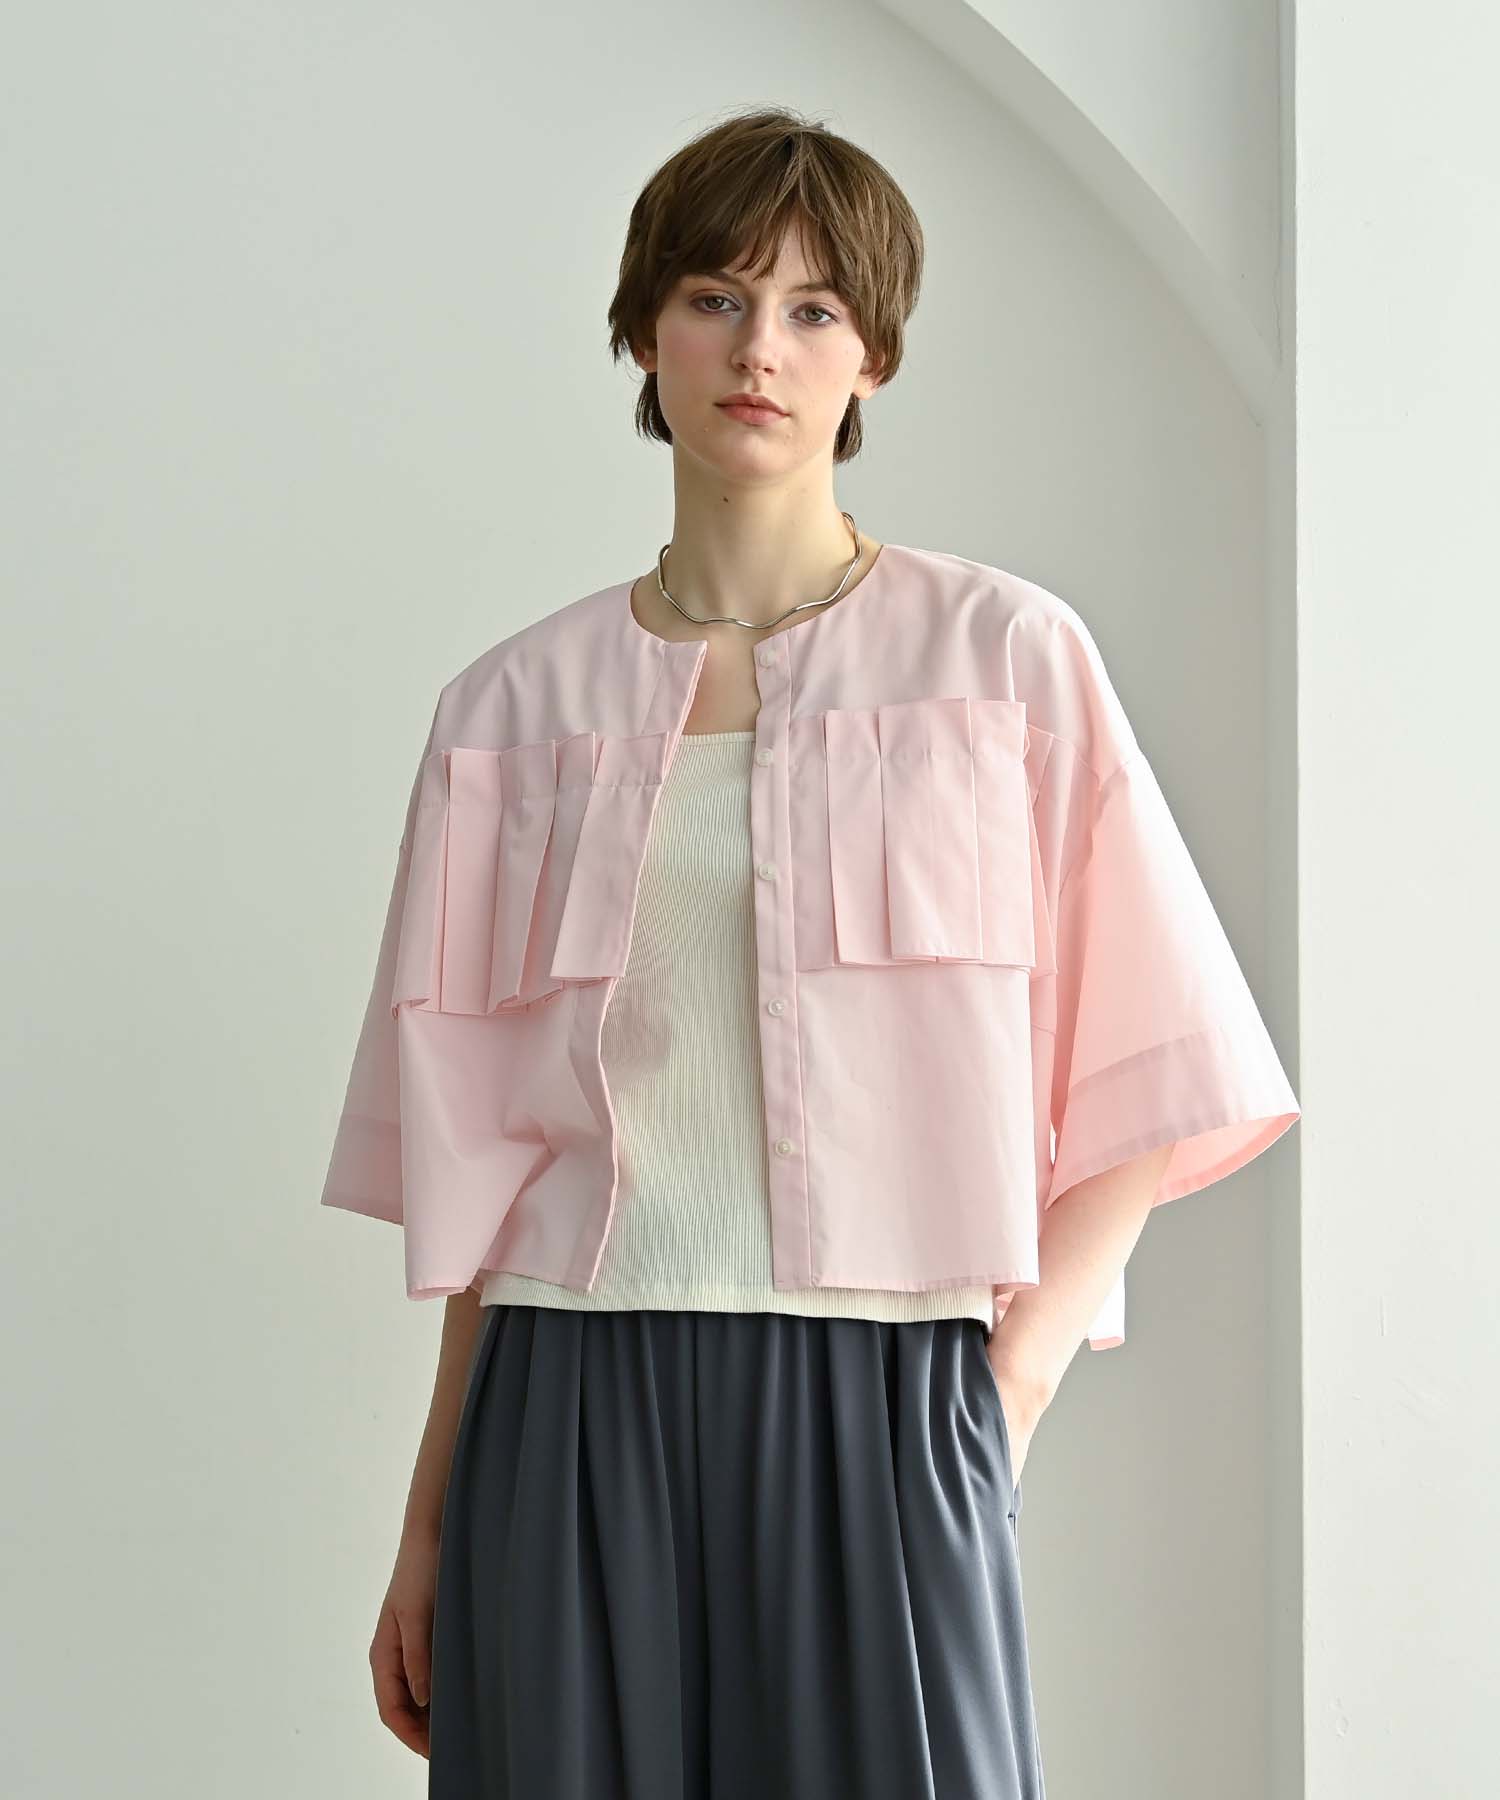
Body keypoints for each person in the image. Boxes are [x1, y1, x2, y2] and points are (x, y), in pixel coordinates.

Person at [319, 107, 1300, 1797]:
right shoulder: (509, 712)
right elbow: (491, 1186)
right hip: (564, 1400)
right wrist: (428, 1522)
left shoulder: (1005, 660)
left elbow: (1160, 1062)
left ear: (874, 356)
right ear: (645, 332)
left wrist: (1003, 1393)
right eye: (714, 297)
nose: (758, 349)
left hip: (886, 1395)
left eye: (813, 308)